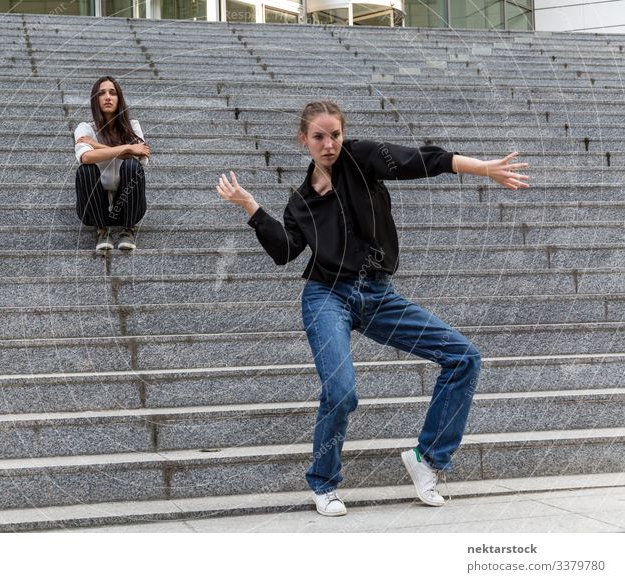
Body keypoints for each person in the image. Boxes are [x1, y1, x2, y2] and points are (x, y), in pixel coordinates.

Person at [216, 101, 529, 517]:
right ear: (303, 139)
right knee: (341, 392)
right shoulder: (300, 201)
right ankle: (324, 483)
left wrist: (482, 168)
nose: (329, 144)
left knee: (463, 357)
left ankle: (428, 459)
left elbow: (423, 160)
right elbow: (286, 250)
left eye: (335, 135)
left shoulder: (361, 159)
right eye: (319, 137)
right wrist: (252, 208)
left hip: (378, 294)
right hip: (325, 295)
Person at [74, 76, 151, 251]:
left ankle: (128, 230)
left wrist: (97, 147)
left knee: (133, 167)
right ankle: (101, 231)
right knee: (85, 170)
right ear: (95, 100)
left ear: (119, 99)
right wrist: (127, 148)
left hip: (127, 207)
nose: (108, 97)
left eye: (113, 93)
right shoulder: (84, 129)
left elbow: (142, 157)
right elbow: (85, 157)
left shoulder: (133, 127)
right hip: (93, 209)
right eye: (102, 93)